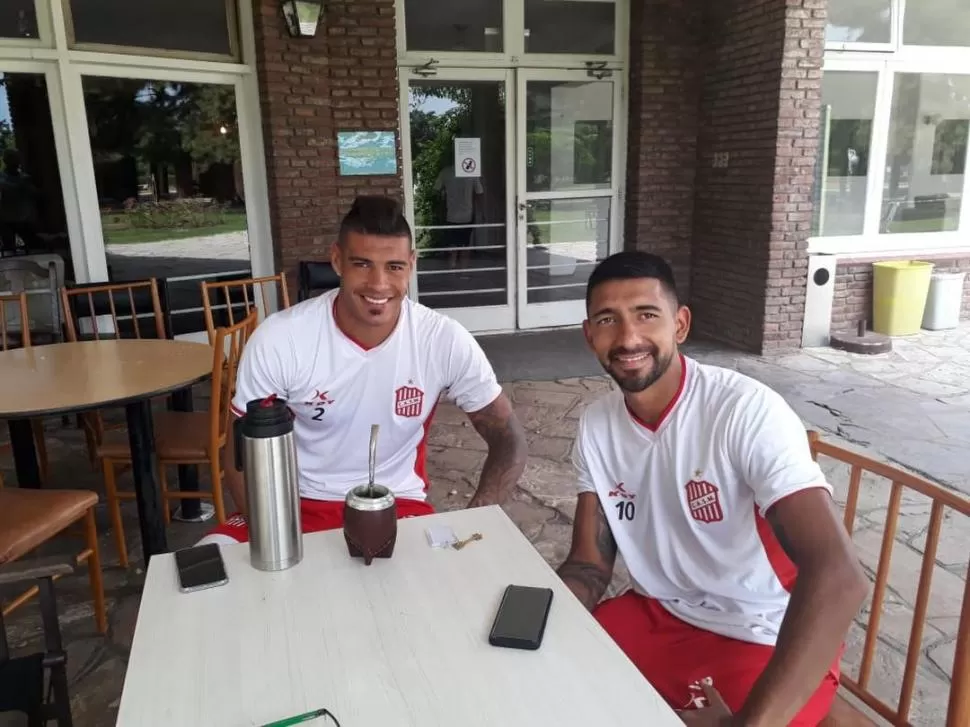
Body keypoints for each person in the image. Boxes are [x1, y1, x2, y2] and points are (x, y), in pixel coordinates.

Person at [556, 251, 868, 726]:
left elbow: (840, 577)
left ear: (680, 324)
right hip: (658, 612)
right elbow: (588, 563)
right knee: (553, 682)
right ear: (588, 335)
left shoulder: (744, 411)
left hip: (761, 630)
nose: (628, 337)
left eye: (646, 314)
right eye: (607, 319)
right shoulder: (598, 425)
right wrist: (544, 615)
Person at [200, 195, 527, 546]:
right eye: (363, 264)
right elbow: (238, 455)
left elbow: (509, 439)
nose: (379, 284)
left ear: (412, 265)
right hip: (293, 505)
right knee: (204, 567)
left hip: (398, 506)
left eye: (394, 267)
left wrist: (476, 514)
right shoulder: (282, 338)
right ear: (337, 260)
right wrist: (275, 536)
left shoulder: (443, 339)